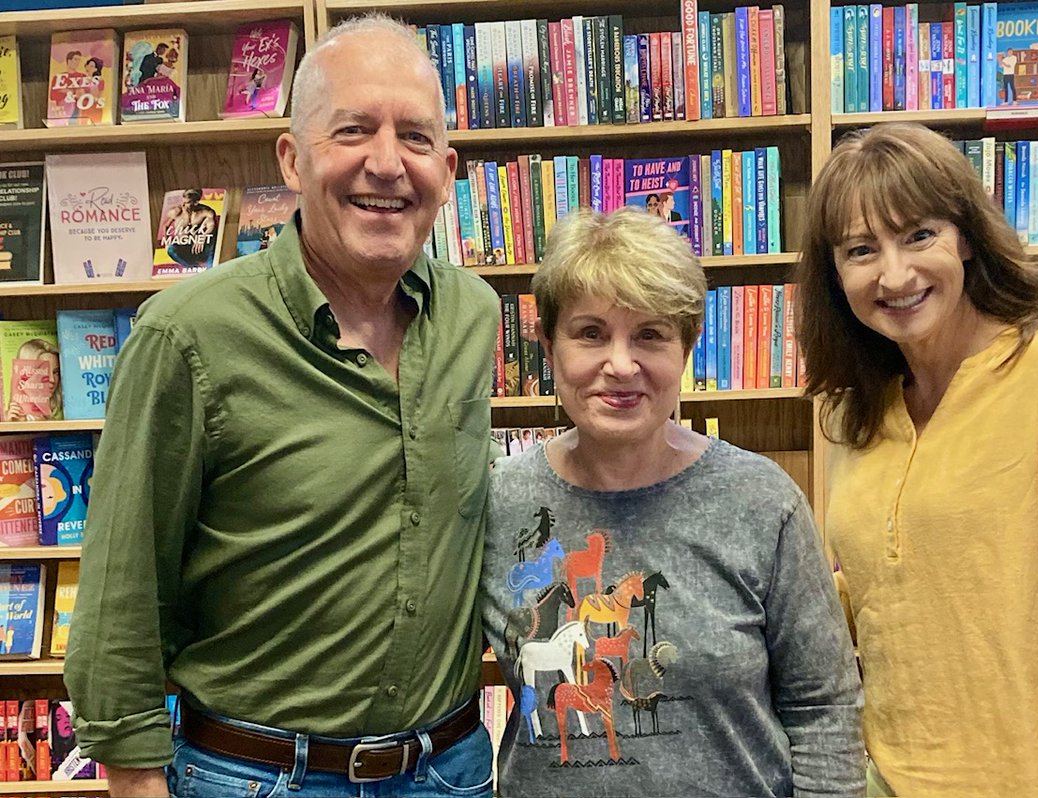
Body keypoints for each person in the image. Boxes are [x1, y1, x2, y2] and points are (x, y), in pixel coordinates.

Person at [64, 14, 499, 798]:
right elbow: (122, 597)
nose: (387, 163)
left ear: (450, 167)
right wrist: (133, 782)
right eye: (354, 130)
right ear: (292, 161)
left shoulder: (475, 316)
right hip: (260, 777)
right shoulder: (187, 337)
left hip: (450, 770)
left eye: (417, 137)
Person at [796, 122, 1038, 797]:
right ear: (835, 275)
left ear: (965, 236)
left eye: (918, 235)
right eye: (861, 249)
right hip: (883, 778)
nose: (894, 274)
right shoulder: (851, 411)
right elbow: (882, 588)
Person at [481, 206, 864, 797]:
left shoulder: (761, 501)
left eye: (650, 335)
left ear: (686, 348)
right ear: (549, 348)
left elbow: (825, 709)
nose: (620, 365)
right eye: (590, 334)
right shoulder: (497, 500)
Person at [161, 188, 219, 270]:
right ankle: (193, 267)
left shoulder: (206, 212)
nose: (183, 205)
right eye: (183, 201)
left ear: (196, 202)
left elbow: (211, 226)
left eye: (187, 202)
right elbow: (165, 226)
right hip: (184, 249)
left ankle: (211, 270)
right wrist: (166, 241)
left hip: (200, 248)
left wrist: (203, 237)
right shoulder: (177, 211)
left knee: (213, 241)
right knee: (171, 249)